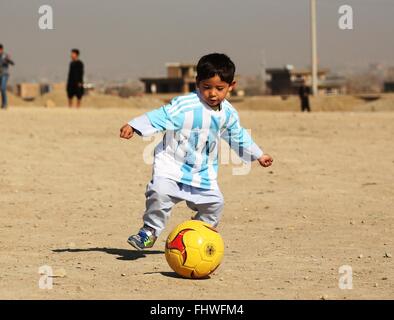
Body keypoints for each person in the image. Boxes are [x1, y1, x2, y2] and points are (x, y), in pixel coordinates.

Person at [119, 53, 273, 250]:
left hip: (202, 171)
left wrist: (258, 154)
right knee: (159, 193)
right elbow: (161, 116)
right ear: (197, 83)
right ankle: (149, 231)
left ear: (231, 86)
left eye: (220, 88)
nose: (212, 94)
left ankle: (198, 234)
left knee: (215, 204)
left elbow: (238, 136)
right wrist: (134, 125)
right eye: (206, 87)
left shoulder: (228, 114)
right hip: (172, 166)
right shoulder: (185, 106)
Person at [0, 44, 15, 110]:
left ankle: (5, 104)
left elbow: (12, 63)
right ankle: (3, 104)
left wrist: (8, 61)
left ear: (1, 49)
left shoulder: (5, 56)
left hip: (4, 74)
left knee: (3, 88)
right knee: (1, 89)